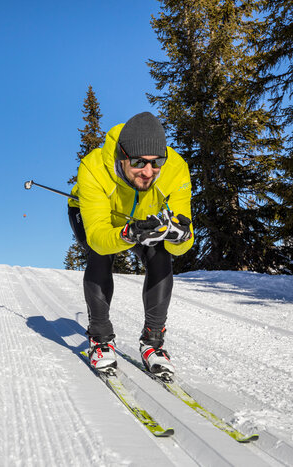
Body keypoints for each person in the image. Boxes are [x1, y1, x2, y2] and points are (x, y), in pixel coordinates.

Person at [68, 112, 193, 377]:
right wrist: (127, 234)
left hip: (141, 218)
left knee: (160, 254)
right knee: (100, 254)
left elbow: (183, 241)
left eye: (156, 162)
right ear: (122, 156)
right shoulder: (93, 168)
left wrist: (180, 236)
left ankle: (153, 343)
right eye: (138, 162)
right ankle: (100, 339)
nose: (148, 172)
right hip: (99, 219)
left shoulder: (176, 168)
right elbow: (100, 238)